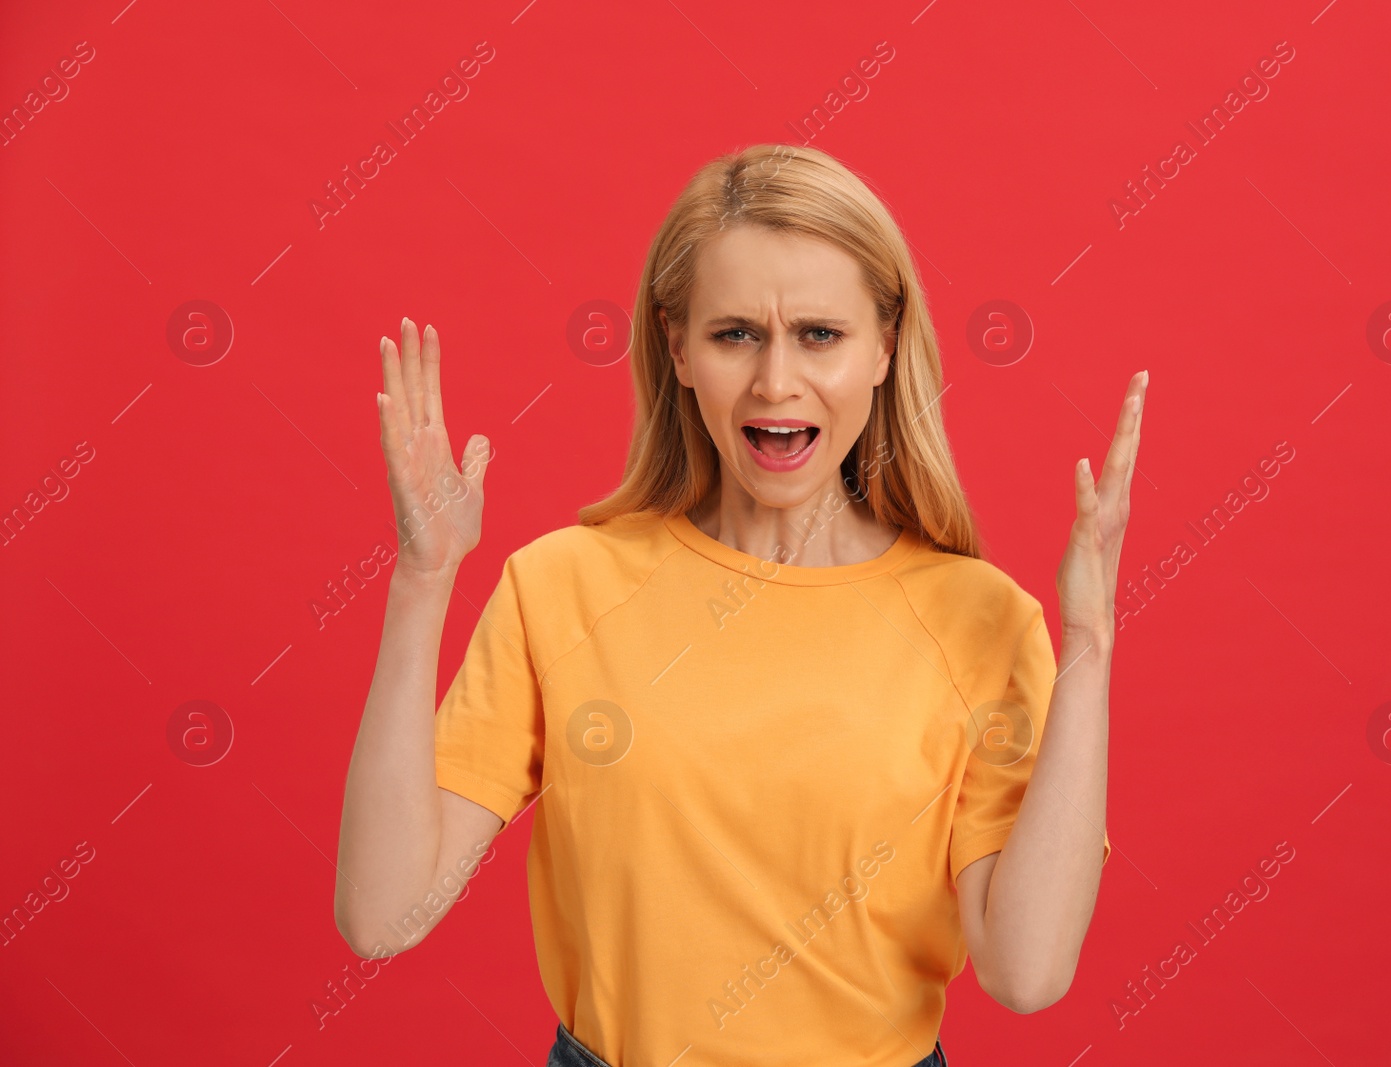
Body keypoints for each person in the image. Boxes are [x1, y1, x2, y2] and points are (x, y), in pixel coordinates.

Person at [333, 143, 1147, 1067]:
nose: (774, 382)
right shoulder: (560, 586)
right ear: (676, 348)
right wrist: (422, 579)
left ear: (886, 347)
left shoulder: (980, 619)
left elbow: (1026, 971)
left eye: (819, 334)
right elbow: (380, 914)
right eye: (735, 335)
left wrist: (1088, 643)